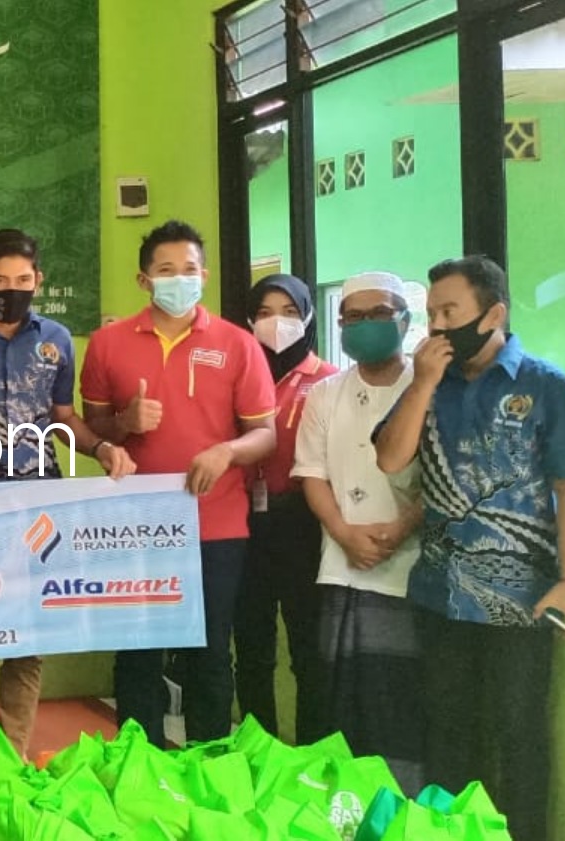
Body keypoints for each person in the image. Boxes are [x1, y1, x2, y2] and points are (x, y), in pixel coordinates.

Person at [374, 256, 565, 841]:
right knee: (447, 734)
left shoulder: (548, 387)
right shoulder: (428, 386)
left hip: (522, 604)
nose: (438, 325)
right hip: (439, 598)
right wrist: (422, 382)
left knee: (519, 736)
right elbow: (391, 458)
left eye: (451, 312)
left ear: (494, 314)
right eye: (431, 313)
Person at [0, 229, 134, 757]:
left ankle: (13, 755)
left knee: (29, 642)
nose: (10, 290)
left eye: (22, 280)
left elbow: (63, 418)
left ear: (38, 281)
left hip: (40, 508)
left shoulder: (55, 339)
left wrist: (101, 447)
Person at [81, 220, 277, 748]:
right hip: (133, 526)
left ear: (204, 277)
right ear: (144, 280)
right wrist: (124, 423)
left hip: (216, 524)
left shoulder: (238, 344)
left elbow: (265, 435)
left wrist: (226, 451)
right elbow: (92, 430)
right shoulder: (107, 344)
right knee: (137, 651)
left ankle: (206, 761)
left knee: (209, 652)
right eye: (166, 270)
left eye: (189, 269)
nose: (179, 279)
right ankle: (138, 765)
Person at [292, 271, 425, 790]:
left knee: (400, 699)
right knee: (341, 698)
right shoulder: (326, 394)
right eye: (354, 317)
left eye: (379, 314)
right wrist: (344, 534)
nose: (366, 324)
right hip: (342, 565)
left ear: (405, 321)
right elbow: (312, 474)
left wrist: (403, 526)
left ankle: (401, 802)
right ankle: (343, 804)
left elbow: (445, 478)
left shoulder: (429, 388)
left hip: (412, 569)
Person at [234, 273, 338, 743]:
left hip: (305, 523)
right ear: (249, 320)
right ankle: (258, 748)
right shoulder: (238, 374)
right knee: (252, 648)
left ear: (309, 316)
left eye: (290, 312)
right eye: (264, 313)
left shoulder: (329, 381)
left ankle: (313, 750)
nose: (277, 323)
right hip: (243, 522)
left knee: (309, 649)